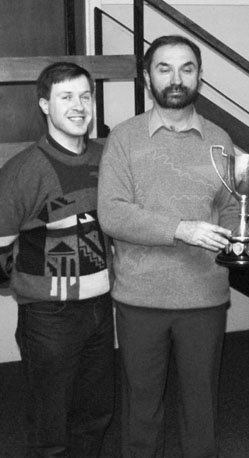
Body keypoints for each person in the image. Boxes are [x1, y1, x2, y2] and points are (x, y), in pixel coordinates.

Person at [97, 35, 249, 458]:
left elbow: (234, 216)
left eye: (187, 68)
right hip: (140, 299)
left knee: (201, 411)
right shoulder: (123, 138)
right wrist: (182, 229)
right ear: (147, 78)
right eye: (164, 68)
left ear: (200, 77)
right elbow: (112, 214)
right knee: (142, 411)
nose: (176, 78)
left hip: (204, 298)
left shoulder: (219, 139)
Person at [0, 62, 115, 458]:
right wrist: (30, 285)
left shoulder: (106, 156)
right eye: (66, 97)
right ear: (45, 105)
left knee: (95, 414)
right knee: (51, 427)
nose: (79, 106)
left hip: (101, 308)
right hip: (50, 318)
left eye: (85, 96)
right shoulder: (23, 170)